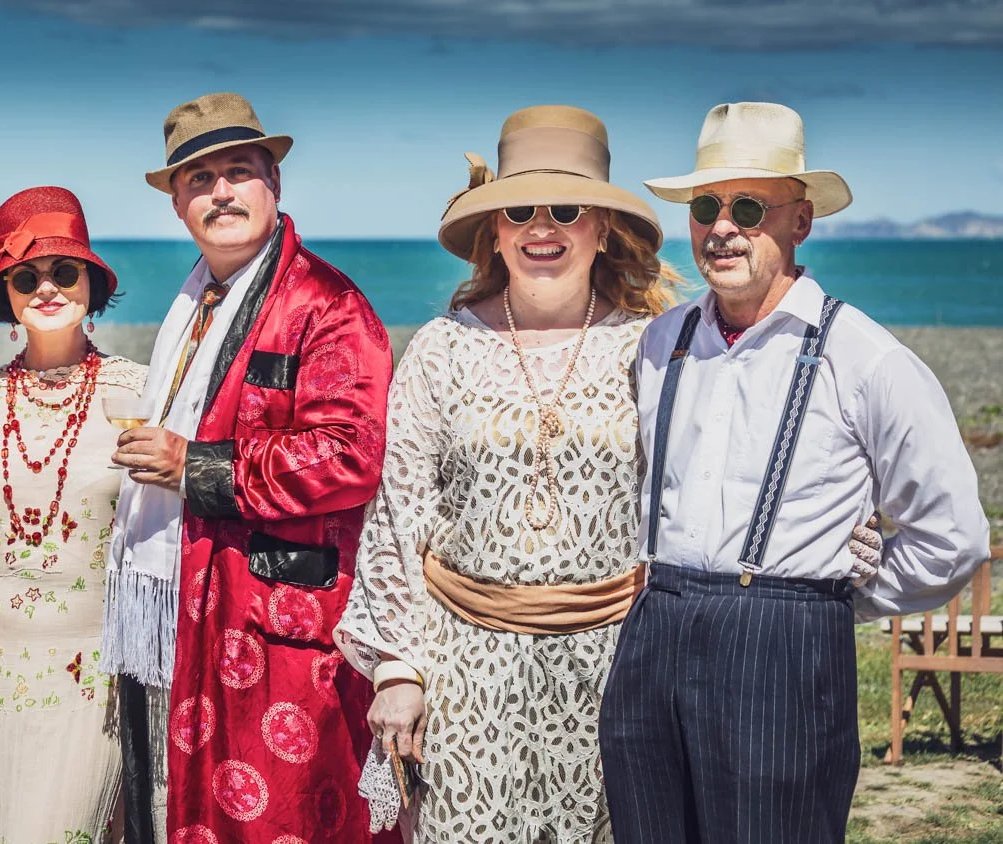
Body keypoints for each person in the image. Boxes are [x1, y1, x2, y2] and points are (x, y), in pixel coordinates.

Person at [599, 102, 992, 844]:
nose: (722, 228)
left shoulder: (866, 358)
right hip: (656, 635)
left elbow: (952, 536)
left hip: (786, 648)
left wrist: (838, 597)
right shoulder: (659, 343)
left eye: (749, 208)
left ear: (800, 221)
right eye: (706, 208)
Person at [337, 105, 679, 843]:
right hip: (463, 672)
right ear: (494, 230)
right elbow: (398, 513)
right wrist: (398, 670)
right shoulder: (441, 348)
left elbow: (695, 493)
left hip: (614, 669)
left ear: (603, 228)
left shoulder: (652, 348)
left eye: (566, 209)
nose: (541, 227)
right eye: (520, 210)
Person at [103, 92, 394, 843]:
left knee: (286, 818)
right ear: (177, 203)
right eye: (199, 180)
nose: (221, 192)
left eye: (238, 172)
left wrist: (193, 464)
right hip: (203, 601)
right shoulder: (201, 299)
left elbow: (352, 455)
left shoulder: (326, 304)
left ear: (275, 183)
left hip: (284, 625)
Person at [0, 186, 146, 843]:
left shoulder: (143, 392)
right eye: (25, 277)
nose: (46, 288)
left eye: (64, 271)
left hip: (94, 666)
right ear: (4, 295)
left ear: (91, 282)